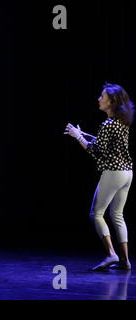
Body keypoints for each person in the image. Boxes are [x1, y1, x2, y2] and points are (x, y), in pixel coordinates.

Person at [64, 83, 134, 271]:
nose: (98, 99)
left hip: (113, 173)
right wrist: (83, 134)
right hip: (127, 173)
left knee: (96, 214)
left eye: (102, 97)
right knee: (117, 215)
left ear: (111, 102)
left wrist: (77, 137)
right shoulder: (120, 122)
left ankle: (111, 254)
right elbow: (106, 146)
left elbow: (97, 152)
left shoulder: (108, 124)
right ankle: (125, 261)